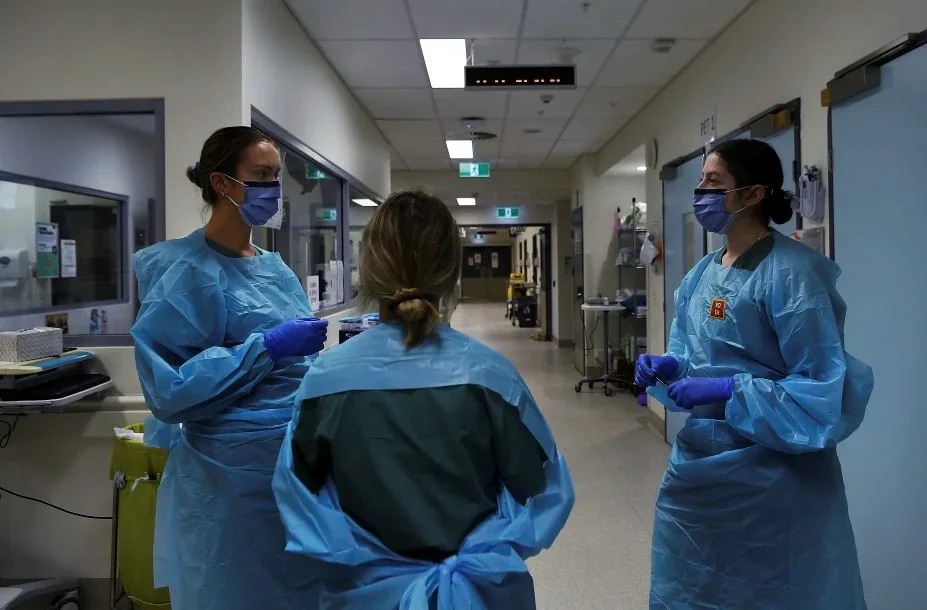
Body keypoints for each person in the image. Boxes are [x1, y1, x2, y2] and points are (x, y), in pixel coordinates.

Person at [273, 189, 575, 609]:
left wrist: (366, 556)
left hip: (362, 595)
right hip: (475, 594)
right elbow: (542, 490)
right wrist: (479, 554)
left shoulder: (326, 380)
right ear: (451, 273)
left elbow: (296, 497)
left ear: (369, 271)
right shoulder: (490, 375)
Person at [636, 138, 874, 609]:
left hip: (773, 479)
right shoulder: (702, 274)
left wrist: (730, 390)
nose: (700, 190)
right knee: (692, 585)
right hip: (699, 475)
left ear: (752, 195)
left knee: (771, 590)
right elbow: (695, 351)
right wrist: (670, 364)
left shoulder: (794, 274)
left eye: (714, 181)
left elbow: (819, 392)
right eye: (701, 180)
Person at [131, 126, 329, 610]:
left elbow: (299, 363)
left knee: (302, 589)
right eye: (260, 175)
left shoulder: (273, 267)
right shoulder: (187, 271)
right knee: (235, 591)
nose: (273, 189)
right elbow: (169, 390)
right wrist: (266, 347)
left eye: (276, 177)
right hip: (231, 477)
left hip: (295, 461)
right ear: (222, 183)